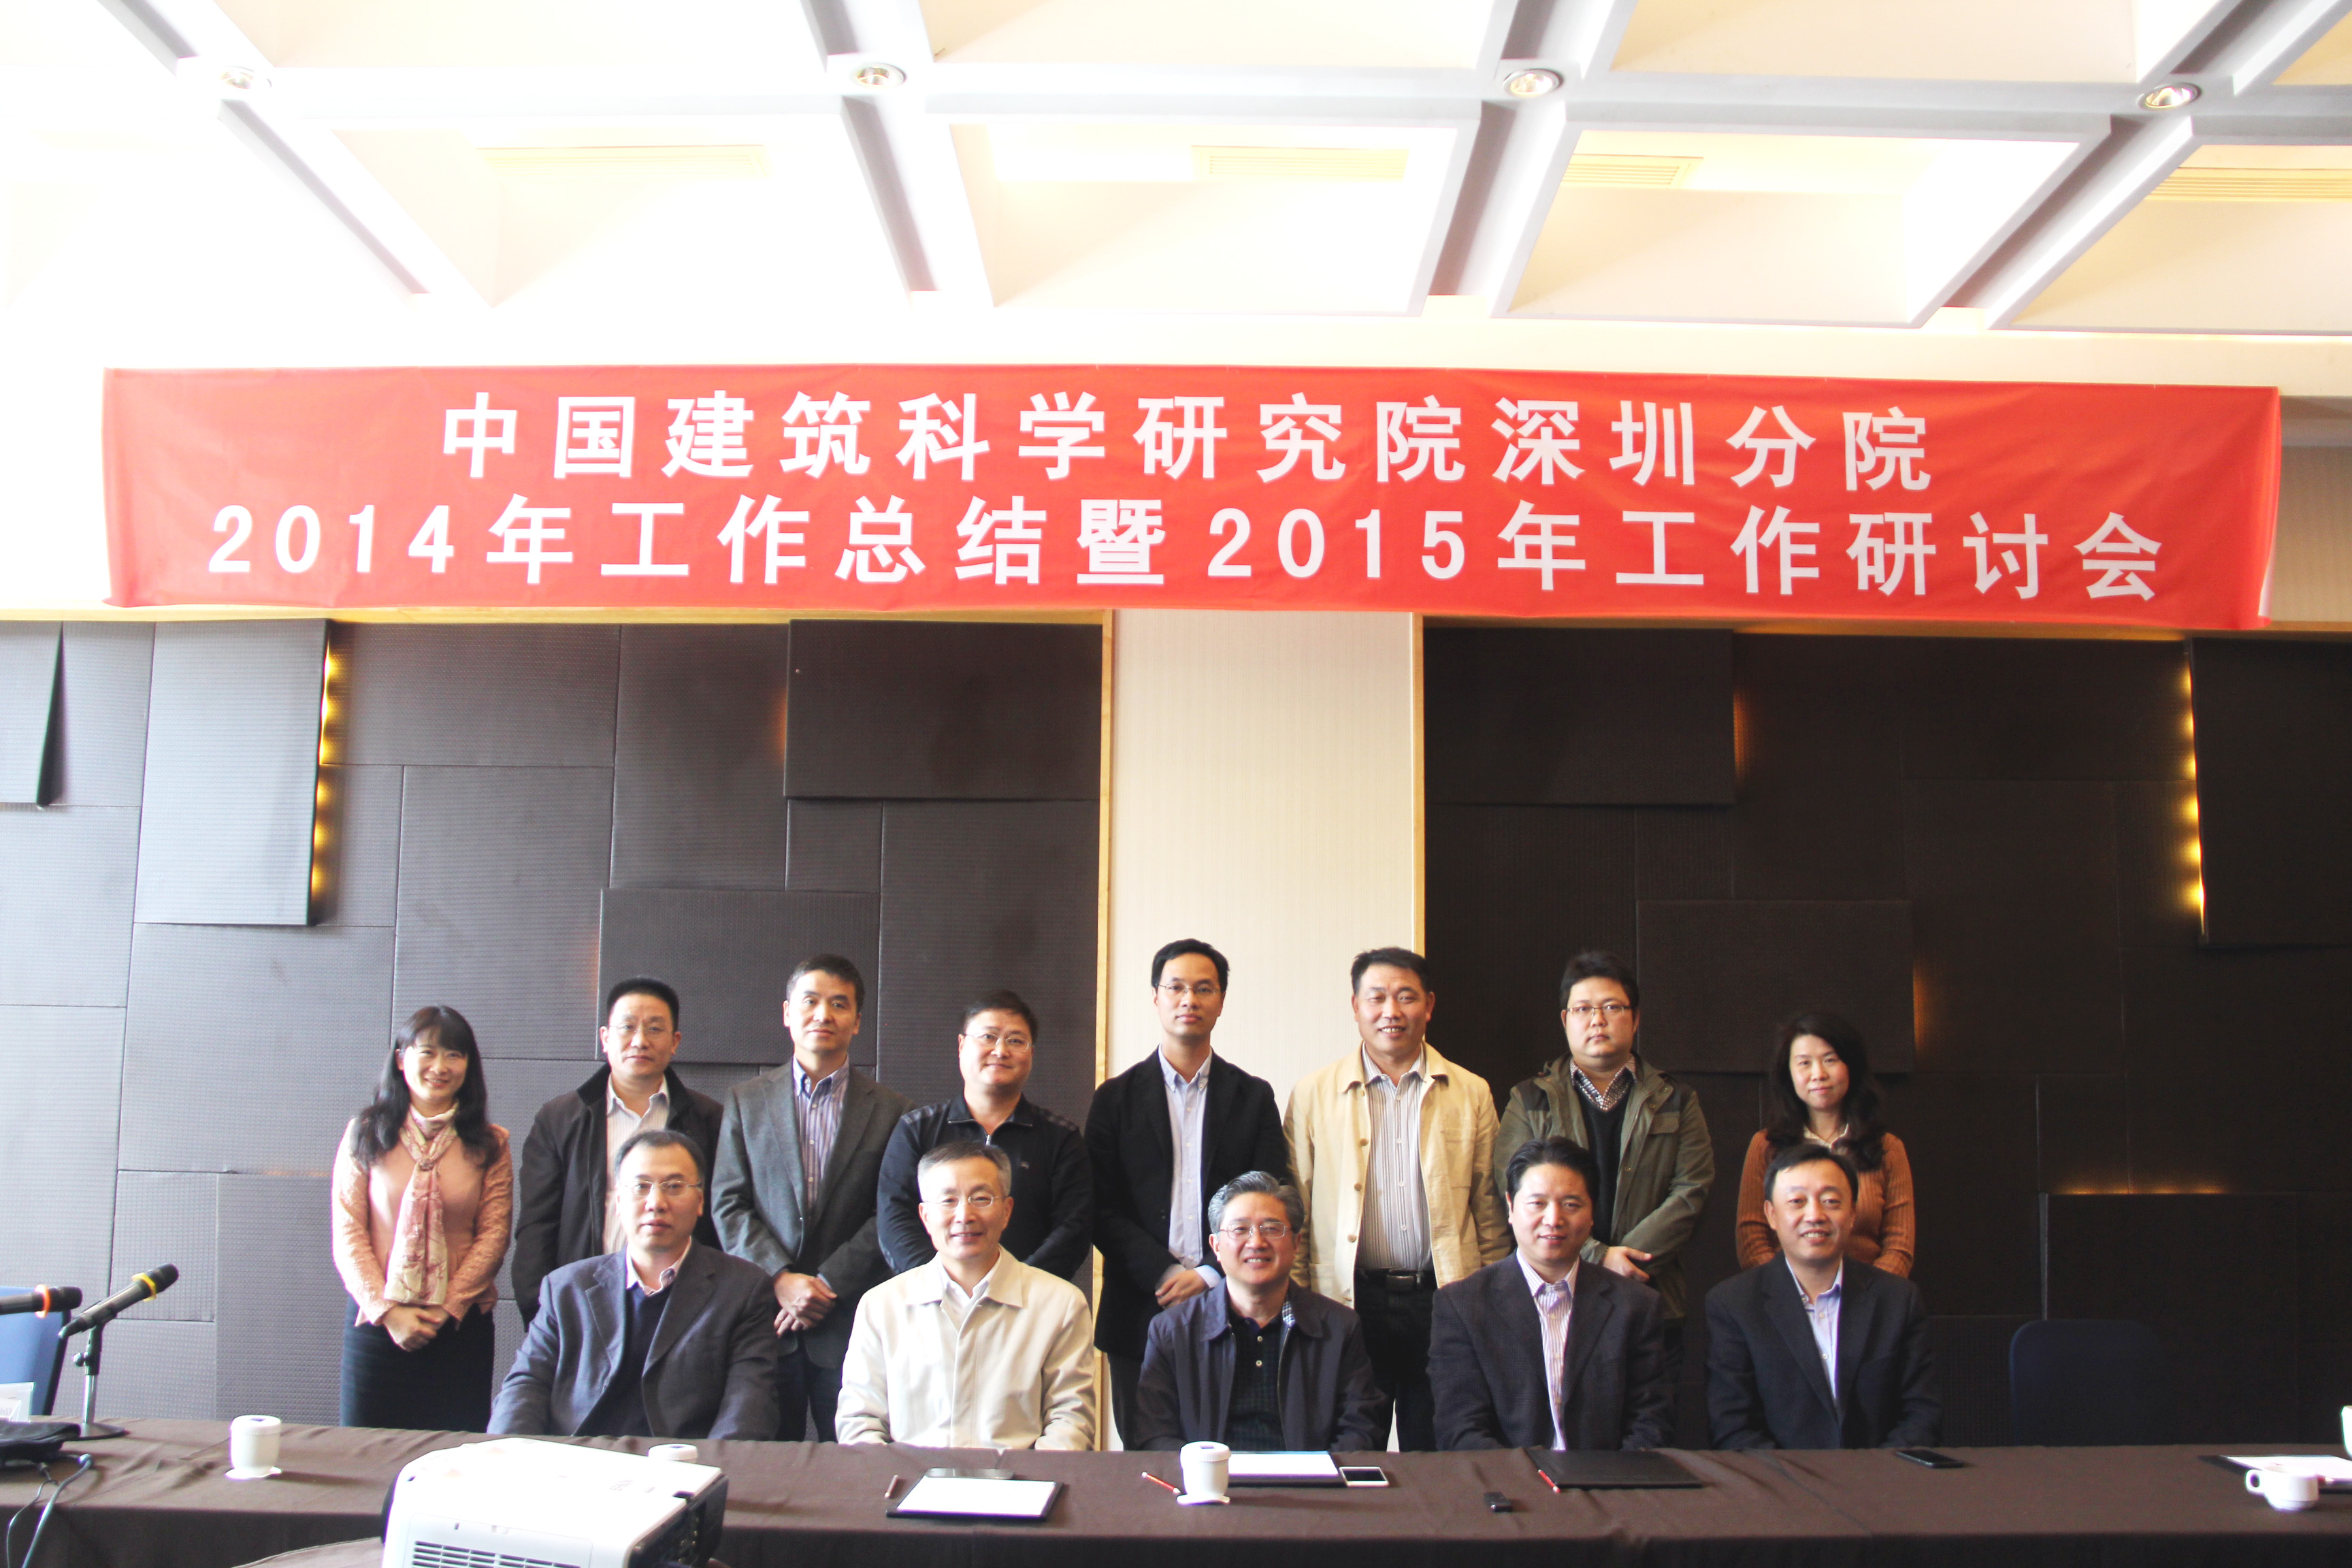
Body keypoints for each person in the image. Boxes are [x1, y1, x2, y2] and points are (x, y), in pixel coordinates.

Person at [1285, 947, 1509, 1451]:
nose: (1392, 1011)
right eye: (1377, 998)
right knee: (1348, 1444)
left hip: (1444, 1297)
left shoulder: (1471, 1092)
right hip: (1348, 1298)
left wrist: (1492, 1301)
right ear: (1355, 1006)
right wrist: (1299, 1299)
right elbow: (1296, 1209)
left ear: (1429, 1005)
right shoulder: (1313, 1094)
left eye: (1406, 997)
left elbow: (1490, 1210)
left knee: (1438, 1447)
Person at [1088, 938, 1290, 1446]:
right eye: (1176, 987)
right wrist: (1163, 1271)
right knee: (1146, 1456)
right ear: (1155, 997)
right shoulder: (1114, 1099)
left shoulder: (1253, 1097)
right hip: (1138, 1308)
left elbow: (1270, 1198)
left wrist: (1209, 1272)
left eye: (1204, 989)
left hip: (1233, 1302)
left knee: (1234, 1449)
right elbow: (1099, 1206)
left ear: (1221, 1001)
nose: (1189, 1000)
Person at [711, 954, 912, 1441]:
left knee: (854, 1462)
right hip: (764, 1322)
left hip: (848, 1321)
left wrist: (826, 1283)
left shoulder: (892, 1110)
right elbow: (728, 1202)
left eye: (839, 1004)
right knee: (762, 1463)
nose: (823, 1014)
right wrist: (780, 1279)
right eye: (811, 1001)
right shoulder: (745, 1101)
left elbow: (890, 1213)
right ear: (788, 1012)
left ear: (857, 1021)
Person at [1493, 949, 1714, 1380]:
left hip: (1651, 1294)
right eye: (1583, 1009)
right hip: (1554, 1295)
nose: (1597, 1020)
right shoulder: (1530, 1099)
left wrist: (1628, 1263)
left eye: (1612, 1007)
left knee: (1648, 1415)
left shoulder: (1677, 1100)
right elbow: (1511, 1188)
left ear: (1636, 1019)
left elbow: (1693, 1189)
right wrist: (1597, 1257)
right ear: (1565, 1020)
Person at [491, 1128, 779, 1439]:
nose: (656, 1202)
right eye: (641, 1186)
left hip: (685, 1461)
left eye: (674, 1186)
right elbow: (526, 1385)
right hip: (579, 1457)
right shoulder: (567, 1288)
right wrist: (507, 1454)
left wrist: (708, 1468)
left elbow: (748, 1404)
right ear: (617, 1201)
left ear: (700, 1200)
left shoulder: (743, 1289)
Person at [836, 1142, 1095, 1449]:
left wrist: (1027, 1479)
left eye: (981, 1199)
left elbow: (1070, 1422)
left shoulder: (1061, 1304)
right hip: (907, 1478)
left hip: (1020, 1477)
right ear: (925, 1216)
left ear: (1006, 1211)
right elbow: (860, 1421)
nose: (964, 1215)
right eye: (948, 1200)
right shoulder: (881, 1305)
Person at [331, 1005, 512, 1431]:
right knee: (366, 1452)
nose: (440, 1067)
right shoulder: (366, 1132)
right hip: (377, 1323)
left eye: (454, 1055)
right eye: (427, 1052)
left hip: (458, 1327)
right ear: (401, 1059)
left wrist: (446, 1310)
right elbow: (348, 1230)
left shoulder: (490, 1143)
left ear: (468, 1065)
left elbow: (494, 1235)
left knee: (455, 1456)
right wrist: (389, 1312)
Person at [1428, 1137, 1673, 1451]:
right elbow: (1460, 1430)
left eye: (1571, 1205)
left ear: (1592, 1213)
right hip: (1508, 1479)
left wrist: (1608, 1479)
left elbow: (1650, 1425)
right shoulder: (1462, 1305)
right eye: (1538, 1204)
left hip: (1607, 1478)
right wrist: (1528, 1480)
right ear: (1511, 1207)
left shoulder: (1635, 1305)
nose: (1554, 1220)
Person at [512, 977, 724, 1325]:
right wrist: (541, 1316)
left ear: (675, 1042)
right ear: (605, 1038)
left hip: (682, 1310)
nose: (640, 1041)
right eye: (627, 1027)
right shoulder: (560, 1119)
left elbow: (721, 1221)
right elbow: (537, 1227)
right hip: (582, 1309)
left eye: (654, 1029)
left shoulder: (709, 1120)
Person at [1705, 1143, 1941, 1450]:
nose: (1815, 1215)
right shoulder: (1734, 1304)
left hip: (1882, 1476)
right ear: (1771, 1215)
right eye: (1797, 1202)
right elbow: (1733, 1427)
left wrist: (1875, 1474)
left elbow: (1922, 1415)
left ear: (1853, 1213)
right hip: (1777, 1478)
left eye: (1831, 1201)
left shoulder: (1898, 1300)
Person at [1132, 1171, 1383, 1452]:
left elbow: (1360, 1429)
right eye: (1240, 1230)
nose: (1256, 1242)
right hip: (1210, 1478)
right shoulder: (1171, 1331)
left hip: (1309, 1478)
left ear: (1296, 1243)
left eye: (1272, 1229)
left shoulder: (1340, 1328)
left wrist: (1315, 1475)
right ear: (1216, 1247)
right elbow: (1155, 1434)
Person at [876, 991, 1092, 1281]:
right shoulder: (916, 1130)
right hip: (931, 1300)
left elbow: (1073, 1228)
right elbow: (895, 1219)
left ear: (1031, 1054)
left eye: (1016, 1041)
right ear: (962, 1045)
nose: (1001, 1051)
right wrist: (942, 1287)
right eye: (988, 1037)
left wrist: (1014, 1289)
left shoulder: (1061, 1139)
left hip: (1027, 1300)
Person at [1735, 1012, 1913, 1277]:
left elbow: (1899, 1246)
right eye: (1804, 1063)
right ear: (1789, 1073)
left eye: (1830, 1060)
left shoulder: (1888, 1148)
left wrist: (1868, 1295)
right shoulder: (1766, 1146)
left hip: (1871, 1295)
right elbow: (1752, 1241)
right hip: (1785, 1297)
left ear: (1851, 1066)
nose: (1818, 1074)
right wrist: (1795, 1293)